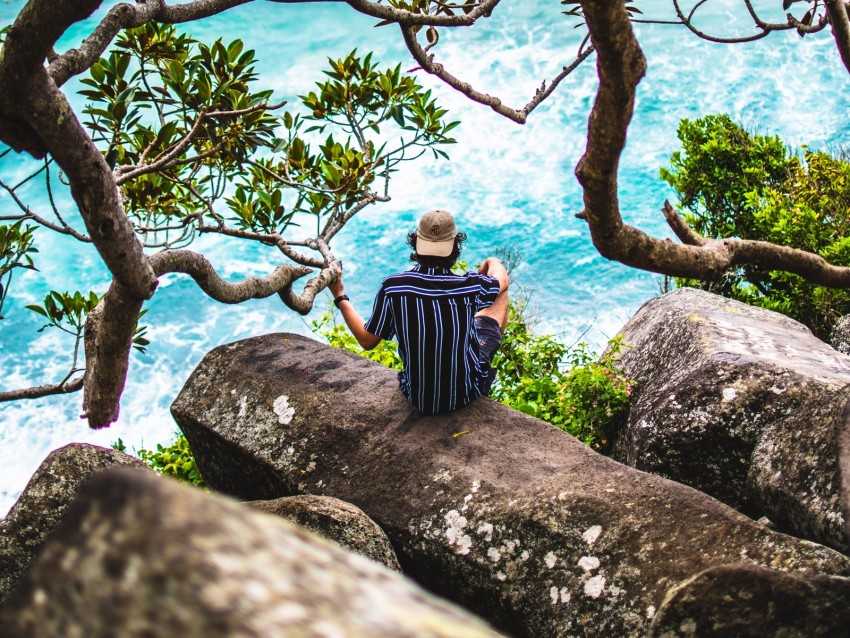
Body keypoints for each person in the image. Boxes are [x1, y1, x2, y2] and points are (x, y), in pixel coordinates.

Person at [328, 208, 509, 415]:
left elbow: (367, 341)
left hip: (417, 397)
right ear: (454, 246)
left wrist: (340, 295)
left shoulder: (393, 287)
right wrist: (492, 262)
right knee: (500, 295)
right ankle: (476, 367)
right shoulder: (468, 286)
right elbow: (502, 282)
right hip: (466, 393)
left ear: (416, 242)